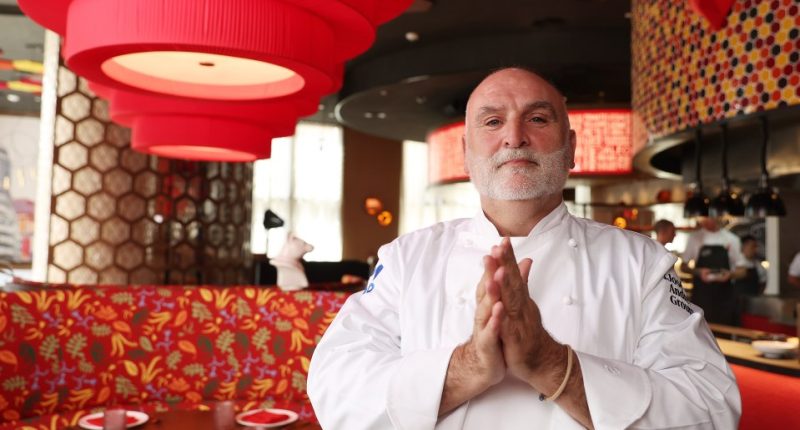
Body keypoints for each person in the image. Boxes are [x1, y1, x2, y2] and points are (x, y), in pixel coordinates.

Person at [308, 68, 740, 429]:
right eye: (492, 122)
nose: (514, 137)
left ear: (570, 148)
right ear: (465, 154)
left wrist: (553, 365)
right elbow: (335, 386)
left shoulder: (641, 262)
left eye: (537, 118)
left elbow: (712, 405)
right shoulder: (406, 259)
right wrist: (466, 368)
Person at [680, 217, 747, 325]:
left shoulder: (732, 239)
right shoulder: (694, 238)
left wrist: (729, 275)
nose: (705, 220)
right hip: (701, 296)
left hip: (724, 298)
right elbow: (683, 267)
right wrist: (698, 271)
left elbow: (743, 271)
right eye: (703, 217)